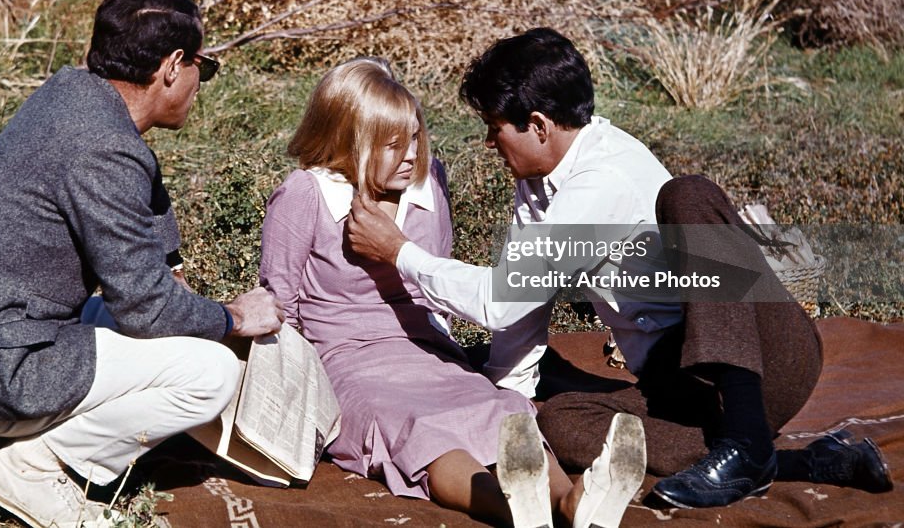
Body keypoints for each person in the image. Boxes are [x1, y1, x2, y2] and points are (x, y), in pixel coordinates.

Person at [346, 27, 892, 510]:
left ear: (537, 125)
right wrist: (502, 393)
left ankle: (747, 444)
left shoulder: (604, 178)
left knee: (689, 197)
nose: (489, 141)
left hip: (764, 355)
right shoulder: (535, 182)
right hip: (678, 378)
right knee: (556, 423)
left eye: (495, 127)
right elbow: (524, 308)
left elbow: (501, 300)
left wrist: (400, 252)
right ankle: (800, 462)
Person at [0, 0, 285, 528]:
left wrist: (198, 312)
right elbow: (148, 310)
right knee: (210, 372)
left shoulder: (71, 95)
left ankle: (20, 445)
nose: (202, 80)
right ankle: (34, 466)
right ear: (173, 66)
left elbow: (142, 288)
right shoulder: (103, 146)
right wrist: (234, 317)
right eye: (204, 65)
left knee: (180, 334)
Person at [258, 56, 646, 528]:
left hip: (427, 349)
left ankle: (571, 503)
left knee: (500, 409)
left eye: (415, 138)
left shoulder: (427, 184)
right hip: (347, 358)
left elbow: (436, 284)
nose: (409, 154)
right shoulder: (307, 194)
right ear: (349, 142)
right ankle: (512, 508)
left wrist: (482, 372)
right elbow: (281, 303)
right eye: (391, 144)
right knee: (417, 428)